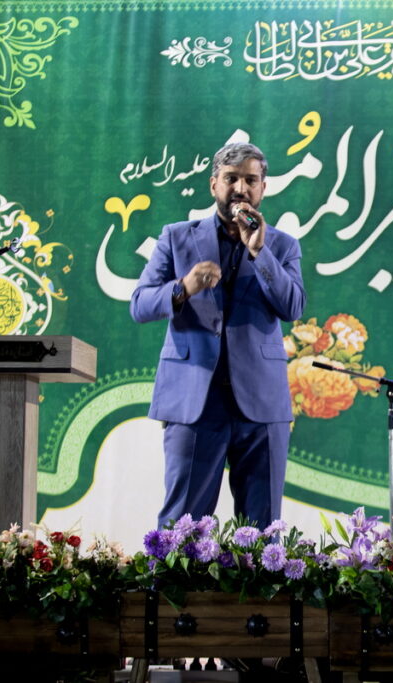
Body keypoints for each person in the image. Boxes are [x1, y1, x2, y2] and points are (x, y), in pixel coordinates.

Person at [131, 142, 306, 529]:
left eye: (250, 180)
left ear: (263, 188)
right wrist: (183, 288)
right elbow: (140, 304)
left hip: (261, 403)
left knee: (262, 533)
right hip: (195, 400)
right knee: (182, 528)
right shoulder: (177, 237)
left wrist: (260, 253)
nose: (240, 189)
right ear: (214, 185)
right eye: (231, 179)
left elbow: (292, 306)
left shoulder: (282, 246)